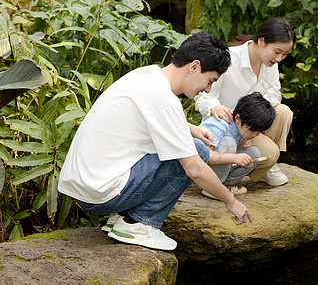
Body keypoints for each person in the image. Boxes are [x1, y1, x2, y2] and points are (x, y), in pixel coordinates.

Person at [58, 31, 253, 251]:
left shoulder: (147, 76)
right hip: (102, 192)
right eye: (210, 81)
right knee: (196, 152)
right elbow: (195, 170)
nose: (207, 90)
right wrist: (231, 201)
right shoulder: (163, 99)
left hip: (88, 185)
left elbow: (147, 116)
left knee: (189, 143)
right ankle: (138, 223)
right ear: (194, 66)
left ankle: (122, 217)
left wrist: (189, 128)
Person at [194, 18, 296, 188]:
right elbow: (204, 95)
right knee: (270, 152)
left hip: (251, 125)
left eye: (284, 54)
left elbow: (274, 95)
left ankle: (266, 168)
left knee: (283, 112)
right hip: (227, 127)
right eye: (277, 51)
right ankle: (259, 164)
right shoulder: (230, 58)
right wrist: (214, 108)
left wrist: (256, 119)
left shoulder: (271, 64)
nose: (279, 58)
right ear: (262, 41)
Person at [198, 92, 276, 199]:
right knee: (228, 143)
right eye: (253, 130)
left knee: (254, 153)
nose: (255, 135)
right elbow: (204, 155)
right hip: (198, 167)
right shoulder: (220, 124)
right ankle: (213, 188)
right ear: (238, 118)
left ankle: (227, 184)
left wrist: (242, 143)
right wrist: (234, 157)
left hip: (214, 165)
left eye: (259, 132)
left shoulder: (238, 128)